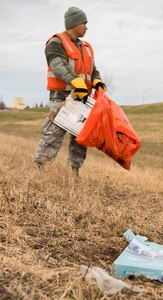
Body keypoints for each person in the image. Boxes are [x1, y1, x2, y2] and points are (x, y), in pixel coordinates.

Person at [34, 7, 106, 176]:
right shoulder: (56, 42)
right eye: (84, 23)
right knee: (52, 135)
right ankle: (40, 171)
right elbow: (58, 66)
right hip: (62, 98)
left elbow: (93, 70)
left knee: (80, 139)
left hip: (83, 99)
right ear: (74, 23)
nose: (87, 27)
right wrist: (75, 81)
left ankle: (75, 173)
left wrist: (98, 80)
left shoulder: (87, 47)